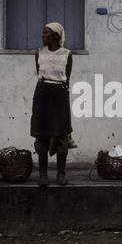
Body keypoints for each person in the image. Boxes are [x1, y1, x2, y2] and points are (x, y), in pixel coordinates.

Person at [30, 22, 73, 186]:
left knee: (62, 134)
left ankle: (61, 174)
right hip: (42, 94)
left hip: (60, 95)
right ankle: (43, 175)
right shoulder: (38, 53)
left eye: (46, 33)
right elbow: (39, 74)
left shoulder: (67, 54)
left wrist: (60, 92)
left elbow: (67, 77)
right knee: (42, 134)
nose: (43, 36)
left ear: (56, 35)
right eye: (43, 33)